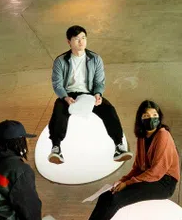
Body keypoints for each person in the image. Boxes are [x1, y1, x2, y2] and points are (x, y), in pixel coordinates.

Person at [67, 100, 181, 220]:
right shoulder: (142, 137)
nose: (151, 118)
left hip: (163, 182)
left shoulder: (163, 135)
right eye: (146, 115)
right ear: (140, 119)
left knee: (116, 200)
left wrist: (128, 183)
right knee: (106, 196)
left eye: (154, 115)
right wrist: (122, 180)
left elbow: (156, 171)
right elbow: (137, 167)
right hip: (148, 177)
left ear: (159, 117)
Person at [47, 25, 131, 164]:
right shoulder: (60, 61)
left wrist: (98, 94)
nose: (81, 42)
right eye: (76, 39)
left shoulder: (95, 59)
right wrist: (66, 97)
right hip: (69, 94)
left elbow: (99, 81)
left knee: (109, 109)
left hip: (89, 94)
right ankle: (56, 148)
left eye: (83, 38)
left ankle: (119, 146)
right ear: (69, 42)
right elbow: (57, 84)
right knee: (59, 111)